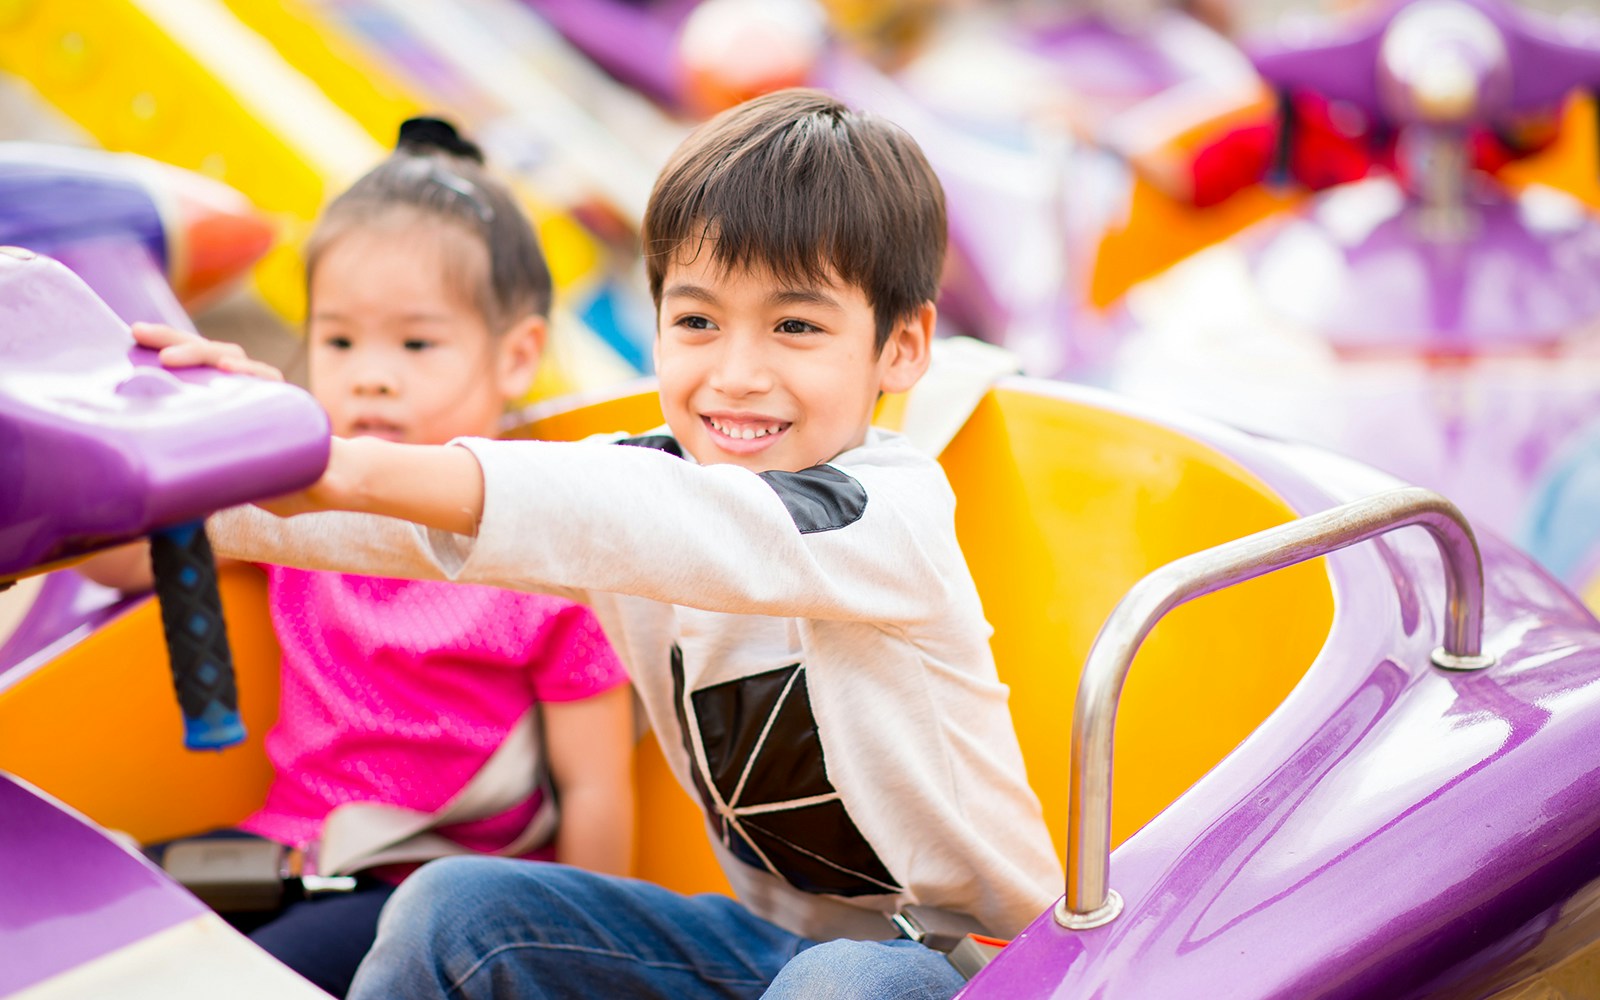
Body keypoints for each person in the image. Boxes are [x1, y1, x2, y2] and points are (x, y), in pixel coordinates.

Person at [137, 89, 1060, 1000]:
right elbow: (396, 525)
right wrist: (225, 453)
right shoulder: (646, 477)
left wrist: (344, 464)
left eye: (796, 326)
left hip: (975, 969)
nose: (735, 375)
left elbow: (633, 514)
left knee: (845, 984)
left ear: (900, 348)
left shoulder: (881, 514)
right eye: (697, 321)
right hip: (765, 948)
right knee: (452, 907)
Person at [85, 118, 635, 998]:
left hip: (425, 886)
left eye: (416, 345)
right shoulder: (300, 505)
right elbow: (116, 562)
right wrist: (162, 424)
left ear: (518, 355)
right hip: (272, 858)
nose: (372, 375)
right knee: (91, 944)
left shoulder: (542, 559)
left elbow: (598, 795)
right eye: (340, 342)